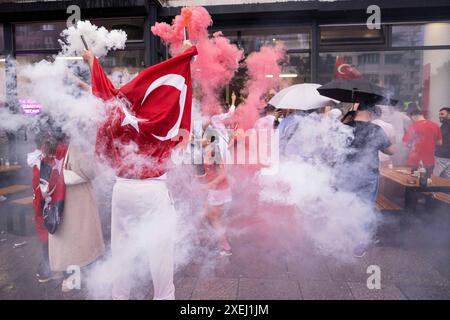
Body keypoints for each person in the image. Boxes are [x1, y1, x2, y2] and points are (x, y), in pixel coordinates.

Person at [48, 142, 105, 292]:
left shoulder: (48, 146)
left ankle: (70, 278)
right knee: (81, 239)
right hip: (76, 200)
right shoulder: (75, 145)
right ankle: (84, 279)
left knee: (66, 240)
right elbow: (89, 171)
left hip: (56, 200)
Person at [199, 128, 233, 256]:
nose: (199, 139)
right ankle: (201, 237)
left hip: (219, 190)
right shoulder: (208, 150)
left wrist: (208, 185)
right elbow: (211, 172)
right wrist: (201, 178)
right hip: (215, 190)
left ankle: (225, 247)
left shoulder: (214, 151)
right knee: (205, 214)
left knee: (214, 218)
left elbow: (223, 174)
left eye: (202, 137)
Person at [403, 107, 442, 177]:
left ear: (413, 116)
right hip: (430, 161)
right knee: (427, 181)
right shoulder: (435, 126)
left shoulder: (413, 126)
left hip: (416, 161)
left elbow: (405, 143)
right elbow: (440, 142)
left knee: (415, 182)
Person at [434, 107, 450, 178]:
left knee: (434, 177)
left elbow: (439, 140)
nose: (440, 116)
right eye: (439, 114)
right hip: (447, 156)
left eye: (442, 114)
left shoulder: (446, 125)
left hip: (441, 157)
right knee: (447, 180)